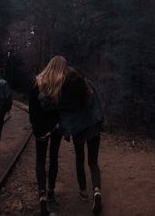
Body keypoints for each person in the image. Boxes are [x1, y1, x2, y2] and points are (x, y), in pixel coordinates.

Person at [59, 67, 104, 215]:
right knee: (93, 161)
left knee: (79, 159)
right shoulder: (87, 84)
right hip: (93, 127)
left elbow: (64, 114)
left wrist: (66, 132)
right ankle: (97, 190)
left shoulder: (65, 90)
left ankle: (83, 191)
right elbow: (98, 103)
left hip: (78, 130)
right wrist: (101, 122)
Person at [28, 56, 65, 216]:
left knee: (40, 160)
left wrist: (35, 124)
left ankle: (41, 195)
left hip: (40, 127)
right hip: (56, 126)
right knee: (54, 157)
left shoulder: (38, 81)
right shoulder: (62, 82)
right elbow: (65, 107)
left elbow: (32, 106)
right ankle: (51, 192)